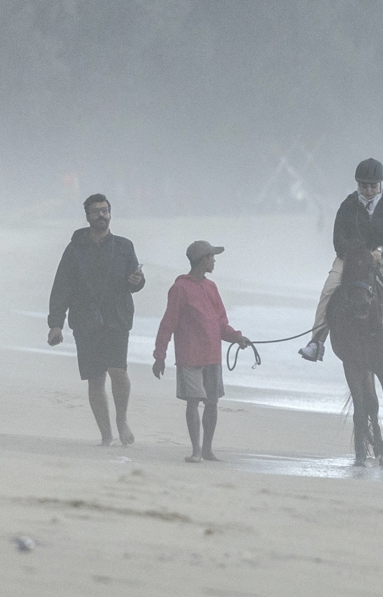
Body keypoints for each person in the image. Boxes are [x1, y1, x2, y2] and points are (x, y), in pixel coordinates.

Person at [298, 157, 383, 363]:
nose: (368, 190)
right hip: (351, 260)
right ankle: (316, 341)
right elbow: (338, 239)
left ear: (380, 184)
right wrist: (357, 253)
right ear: (358, 184)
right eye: (363, 186)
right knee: (328, 290)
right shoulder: (347, 206)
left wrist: (380, 250)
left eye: (372, 186)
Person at [45, 193, 145, 446]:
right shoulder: (75, 249)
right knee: (95, 378)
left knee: (118, 371)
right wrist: (55, 324)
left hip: (117, 317)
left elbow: (135, 281)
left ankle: (121, 420)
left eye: (105, 210)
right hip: (85, 319)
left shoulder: (124, 246)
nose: (102, 215)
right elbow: (61, 286)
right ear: (87, 216)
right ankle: (106, 434)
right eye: (96, 211)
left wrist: (138, 281)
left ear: (110, 213)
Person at [153, 240, 252, 462]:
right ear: (203, 260)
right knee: (193, 401)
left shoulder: (211, 287)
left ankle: (206, 449)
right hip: (189, 356)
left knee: (212, 402)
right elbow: (168, 324)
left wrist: (236, 337)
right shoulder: (179, 288)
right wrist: (160, 356)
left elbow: (220, 324)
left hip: (212, 355)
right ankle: (196, 450)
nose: (214, 260)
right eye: (212, 257)